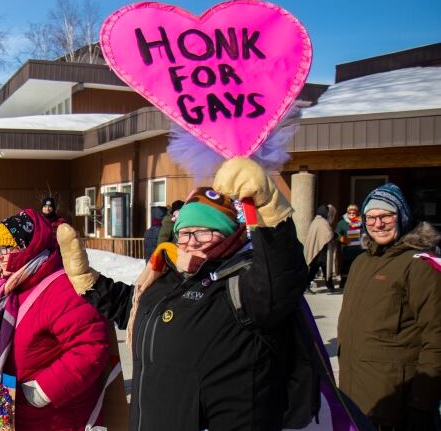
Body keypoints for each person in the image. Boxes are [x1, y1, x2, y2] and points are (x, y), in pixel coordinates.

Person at [58, 158, 312, 430]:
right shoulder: (167, 278)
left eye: (203, 232)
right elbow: (132, 307)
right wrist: (88, 280)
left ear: (230, 234)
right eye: (184, 233)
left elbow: (281, 276)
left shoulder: (246, 282)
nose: (191, 243)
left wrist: (269, 211)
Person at [0, 209, 110, 430]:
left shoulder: (63, 289)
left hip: (54, 416)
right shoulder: (3, 285)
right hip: (16, 411)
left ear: (29, 246)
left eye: (8, 247)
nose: (0, 255)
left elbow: (91, 347)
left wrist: (43, 390)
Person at [338, 183, 441, 430]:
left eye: (386, 215)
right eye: (371, 217)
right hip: (355, 394)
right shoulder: (361, 263)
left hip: (397, 402)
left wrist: (421, 402)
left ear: (402, 216)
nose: (378, 223)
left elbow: (437, 337)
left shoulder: (419, 264)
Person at [303, 204, 337, 293]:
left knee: (319, 268)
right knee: (324, 267)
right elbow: (328, 235)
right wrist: (335, 235)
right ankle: (329, 286)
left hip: (318, 250)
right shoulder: (323, 223)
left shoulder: (316, 221)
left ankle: (329, 286)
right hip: (321, 250)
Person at [335, 204, 364, 289]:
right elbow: (337, 234)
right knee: (346, 267)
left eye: (354, 212)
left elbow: (366, 232)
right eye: (349, 212)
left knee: (359, 267)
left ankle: (357, 283)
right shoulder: (342, 222)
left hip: (359, 250)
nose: (351, 214)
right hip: (347, 250)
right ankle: (343, 283)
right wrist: (344, 240)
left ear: (357, 213)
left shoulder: (362, 222)